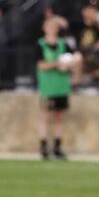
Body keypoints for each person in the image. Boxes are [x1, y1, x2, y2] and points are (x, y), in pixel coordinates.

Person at [37, 18, 81, 160]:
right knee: (46, 117)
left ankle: (57, 147)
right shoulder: (40, 44)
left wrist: (70, 65)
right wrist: (57, 63)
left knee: (59, 118)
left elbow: (75, 59)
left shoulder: (63, 44)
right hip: (47, 87)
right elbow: (42, 65)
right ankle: (44, 146)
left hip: (61, 86)